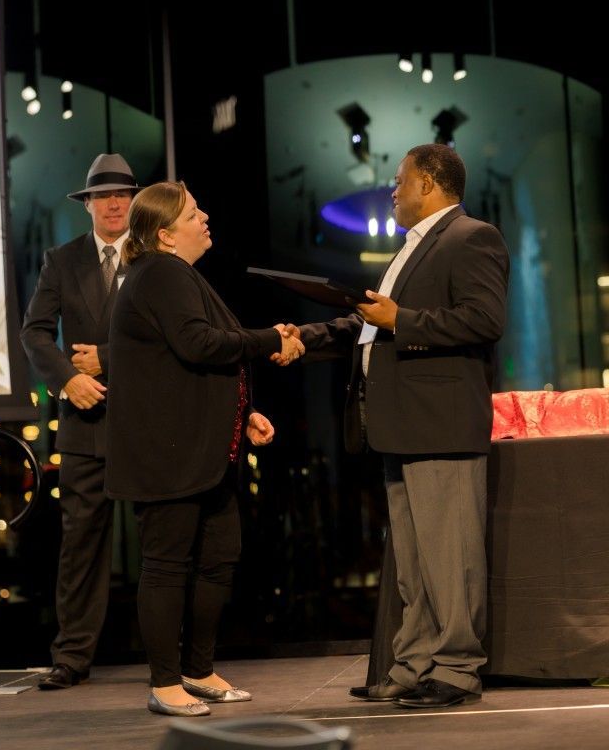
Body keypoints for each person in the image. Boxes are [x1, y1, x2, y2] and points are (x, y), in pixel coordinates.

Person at [281, 144, 509, 709]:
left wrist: (400, 318)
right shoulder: (411, 248)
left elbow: (484, 318)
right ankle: (415, 662)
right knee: (414, 560)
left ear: (428, 183)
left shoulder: (471, 237)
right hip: (402, 424)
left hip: (441, 423)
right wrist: (304, 337)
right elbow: (370, 327)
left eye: (401, 180)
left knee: (449, 555)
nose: (393, 190)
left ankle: (457, 669)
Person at [104, 180, 304, 717]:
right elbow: (200, 345)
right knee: (167, 565)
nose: (205, 217)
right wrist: (272, 339)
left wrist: (244, 413)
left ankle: (197, 670)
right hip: (168, 456)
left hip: (202, 451)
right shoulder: (160, 273)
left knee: (218, 558)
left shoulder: (177, 274)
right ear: (166, 235)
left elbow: (192, 363)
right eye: (193, 213)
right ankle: (165, 683)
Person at [20, 153, 140, 690]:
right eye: (103, 195)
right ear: (87, 204)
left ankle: (175, 656)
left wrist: (106, 359)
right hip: (84, 421)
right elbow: (34, 332)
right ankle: (71, 658)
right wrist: (68, 379)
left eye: (122, 194)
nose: (114, 203)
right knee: (80, 546)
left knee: (163, 545)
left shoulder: (155, 257)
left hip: (146, 422)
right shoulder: (61, 260)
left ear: (133, 201)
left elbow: (171, 334)